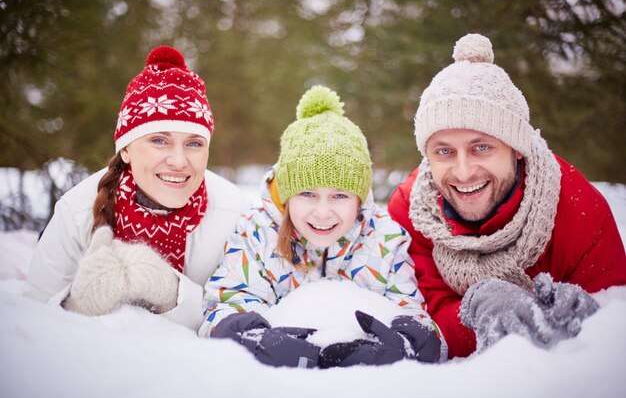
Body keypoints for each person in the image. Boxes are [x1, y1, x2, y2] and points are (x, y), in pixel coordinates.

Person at [387, 33, 626, 359]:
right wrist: (476, 314)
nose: (463, 171)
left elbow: (616, 312)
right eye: (444, 151)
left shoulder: (574, 205)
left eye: (481, 147)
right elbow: (426, 316)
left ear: (516, 148)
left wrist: (591, 315)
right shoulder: (411, 210)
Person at [198, 85, 446, 368]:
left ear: (359, 197)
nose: (323, 212)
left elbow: (414, 314)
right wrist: (249, 339)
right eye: (307, 194)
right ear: (288, 194)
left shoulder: (384, 239)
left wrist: (406, 344)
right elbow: (225, 304)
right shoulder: (257, 232)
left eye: (339, 195)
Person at [23, 45, 251, 329]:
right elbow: (31, 321)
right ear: (126, 150)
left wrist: (170, 291)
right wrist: (78, 303)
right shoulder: (76, 210)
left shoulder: (234, 211)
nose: (179, 161)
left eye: (194, 143)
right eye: (159, 140)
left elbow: (241, 312)